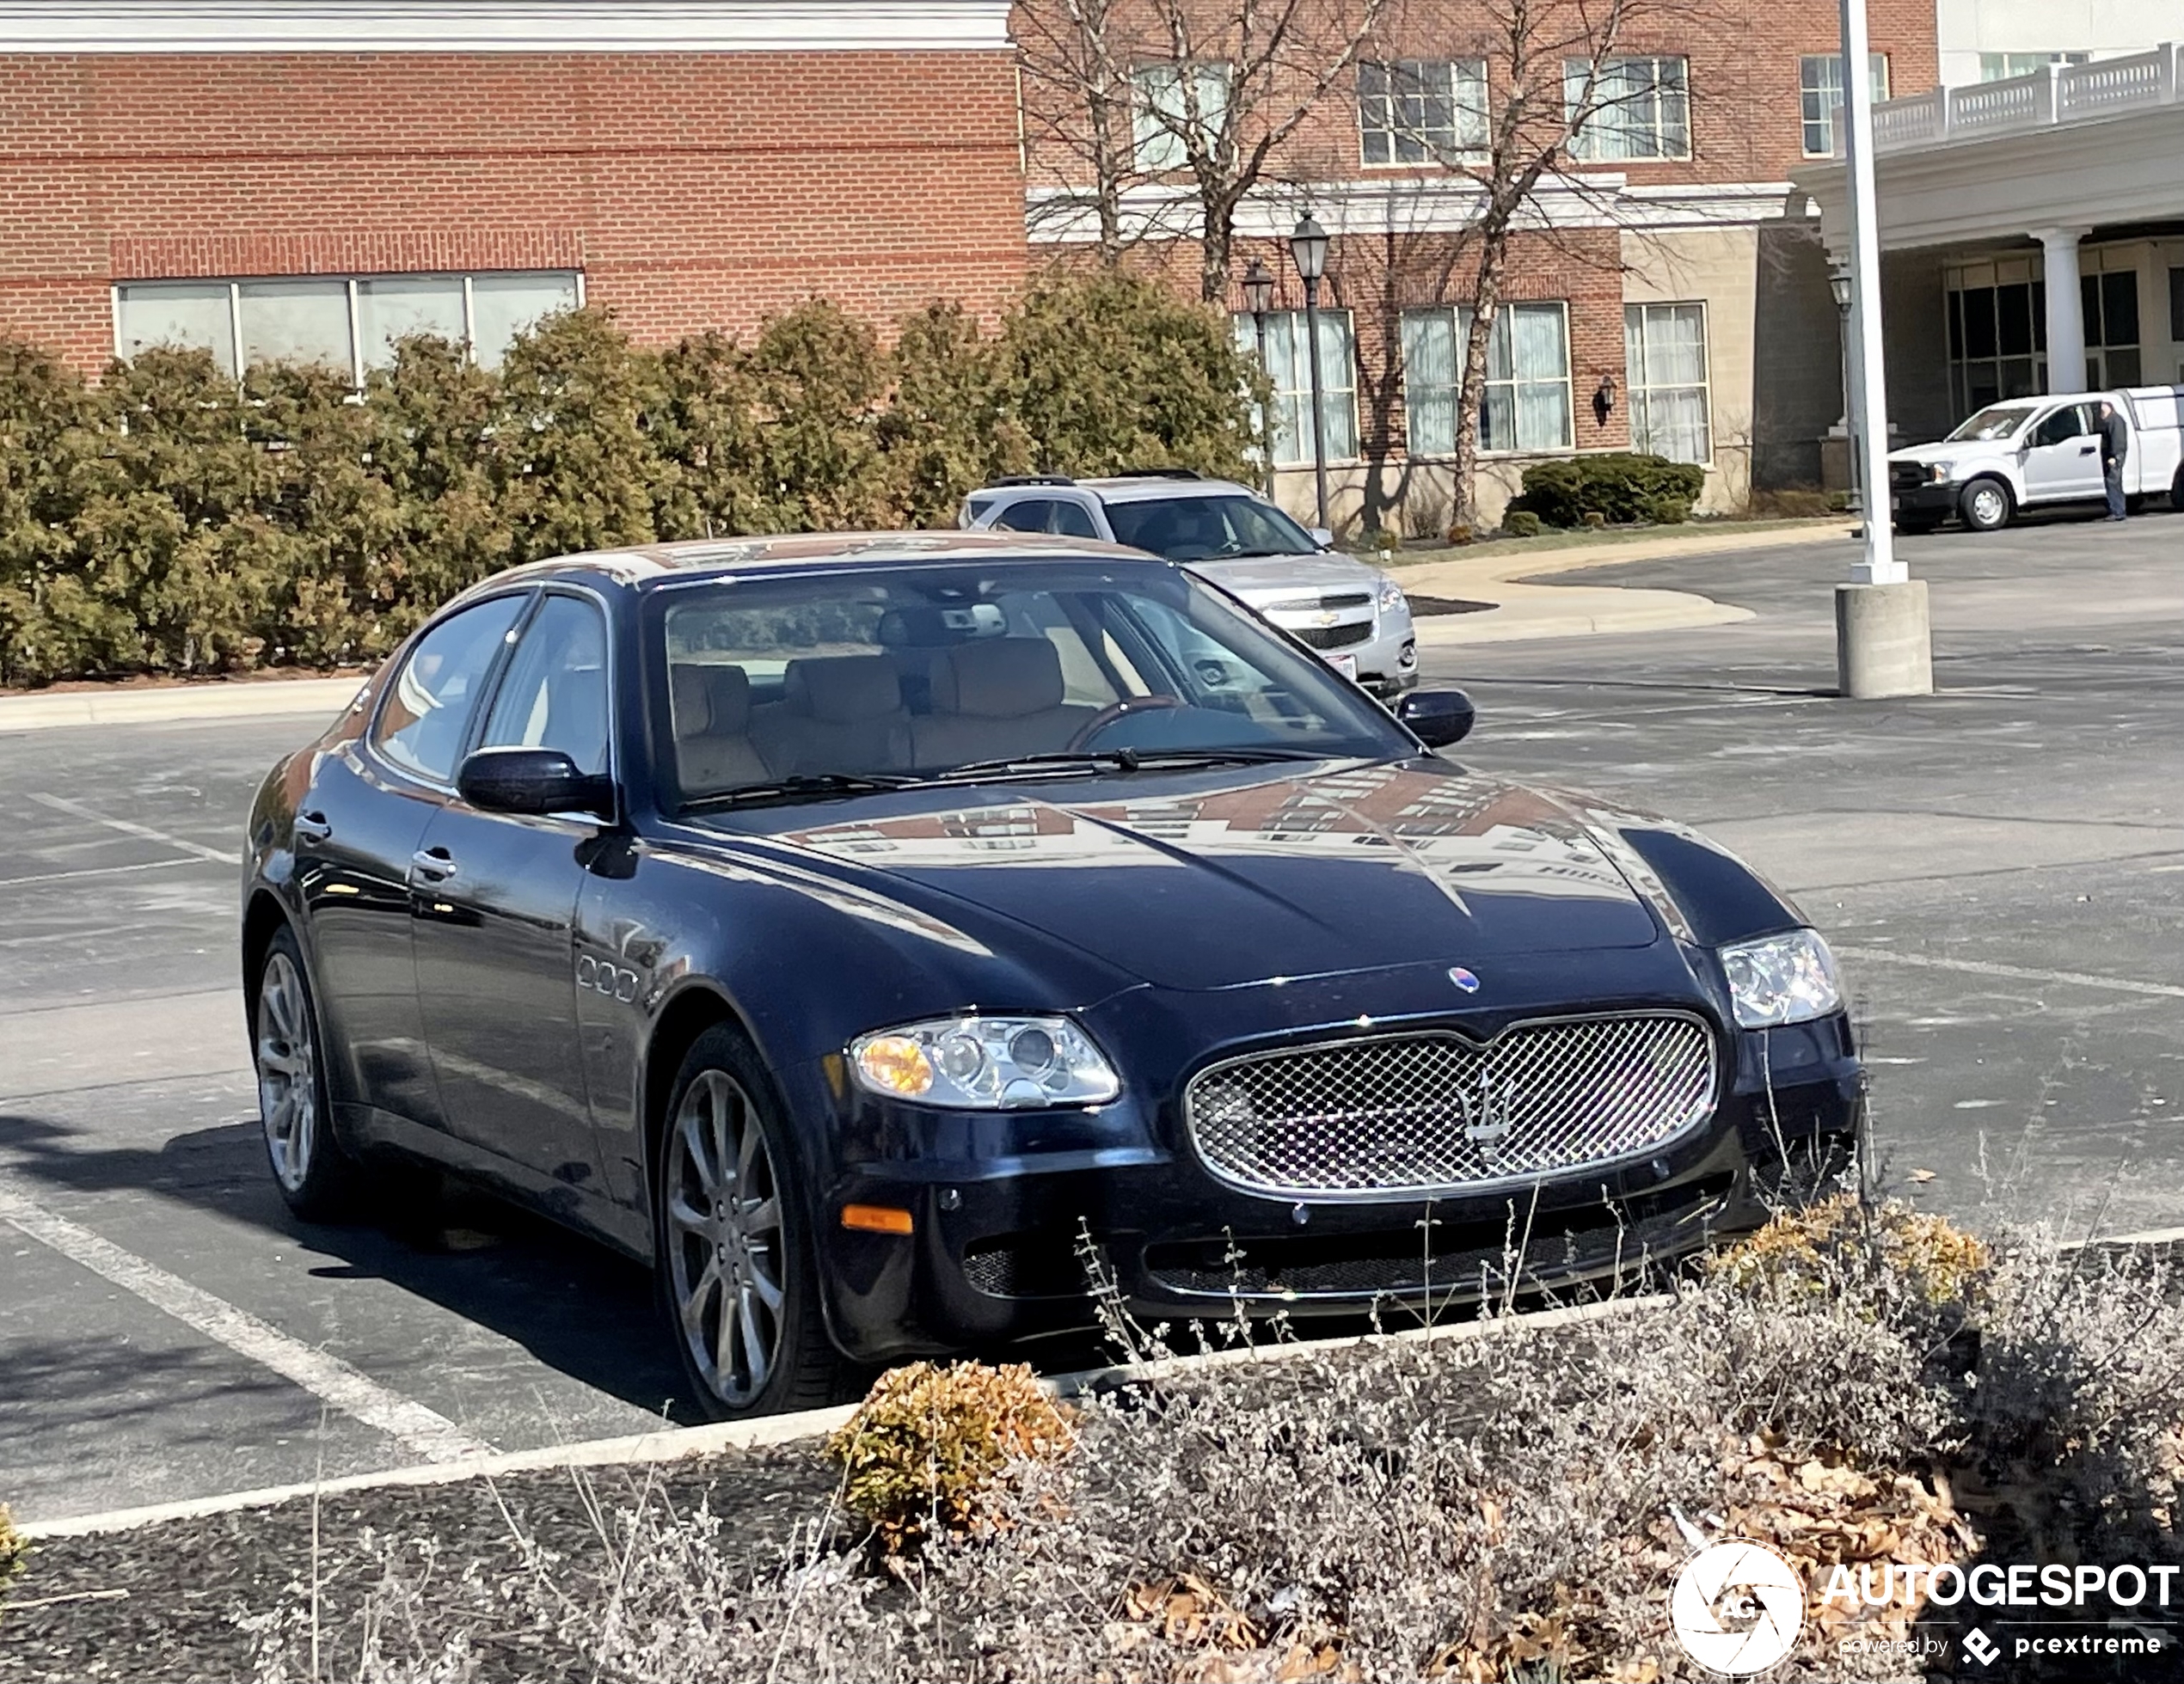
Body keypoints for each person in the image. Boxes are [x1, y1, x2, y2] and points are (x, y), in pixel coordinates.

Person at [2099, 400, 2130, 521]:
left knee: (2113, 483)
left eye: (2103, 410)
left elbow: (2117, 440)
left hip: (2114, 456)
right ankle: (2117, 510)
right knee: (2113, 483)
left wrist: (2113, 456)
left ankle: (2118, 511)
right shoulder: (2112, 420)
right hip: (2113, 456)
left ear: (2110, 408)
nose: (2101, 413)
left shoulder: (2115, 421)